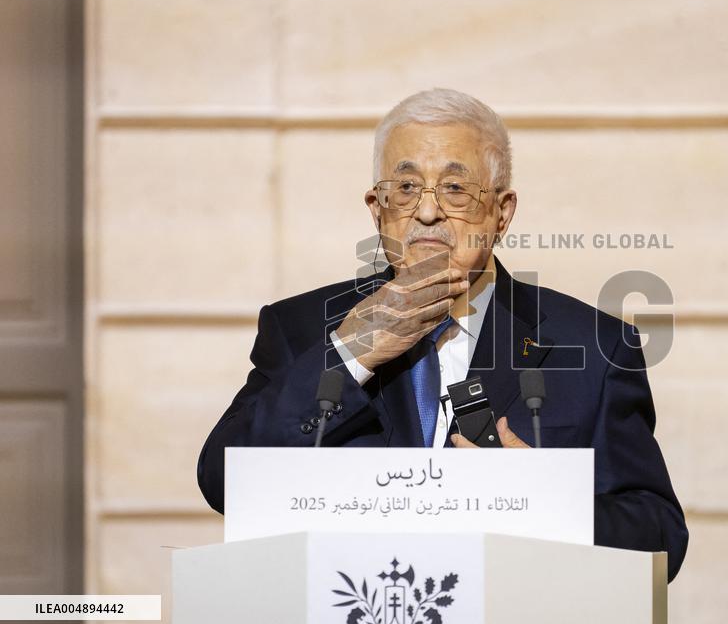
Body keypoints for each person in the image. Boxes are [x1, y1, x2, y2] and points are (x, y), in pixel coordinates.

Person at [197, 88, 688, 580]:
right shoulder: (303, 328)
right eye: (406, 187)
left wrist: (542, 501)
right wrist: (349, 355)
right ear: (376, 208)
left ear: (502, 212)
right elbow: (225, 483)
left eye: (455, 188)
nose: (427, 212)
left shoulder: (594, 347)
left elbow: (659, 542)